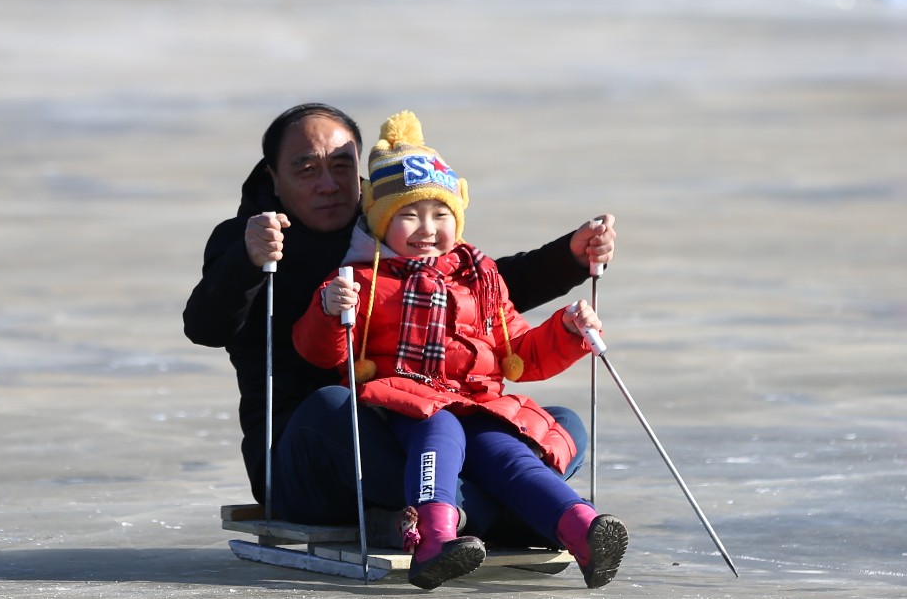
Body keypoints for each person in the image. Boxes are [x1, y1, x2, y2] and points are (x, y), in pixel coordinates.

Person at [182, 102, 615, 541]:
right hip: (314, 451)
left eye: (341, 166)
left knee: (553, 423)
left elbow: (470, 296)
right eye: (307, 169)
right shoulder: (251, 238)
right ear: (273, 177)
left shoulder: (392, 219)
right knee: (331, 407)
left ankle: (449, 513)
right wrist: (247, 260)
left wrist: (570, 258)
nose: (328, 184)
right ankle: (510, 512)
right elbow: (206, 327)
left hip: (422, 423)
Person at [292, 112, 629, 591]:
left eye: (440, 214)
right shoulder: (363, 281)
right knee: (441, 426)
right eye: (409, 215)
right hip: (407, 401)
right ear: (382, 222)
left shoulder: (480, 280)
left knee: (509, 452)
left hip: (477, 402)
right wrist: (329, 310)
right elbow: (322, 353)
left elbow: (521, 354)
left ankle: (582, 529)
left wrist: (568, 331)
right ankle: (434, 539)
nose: (427, 228)